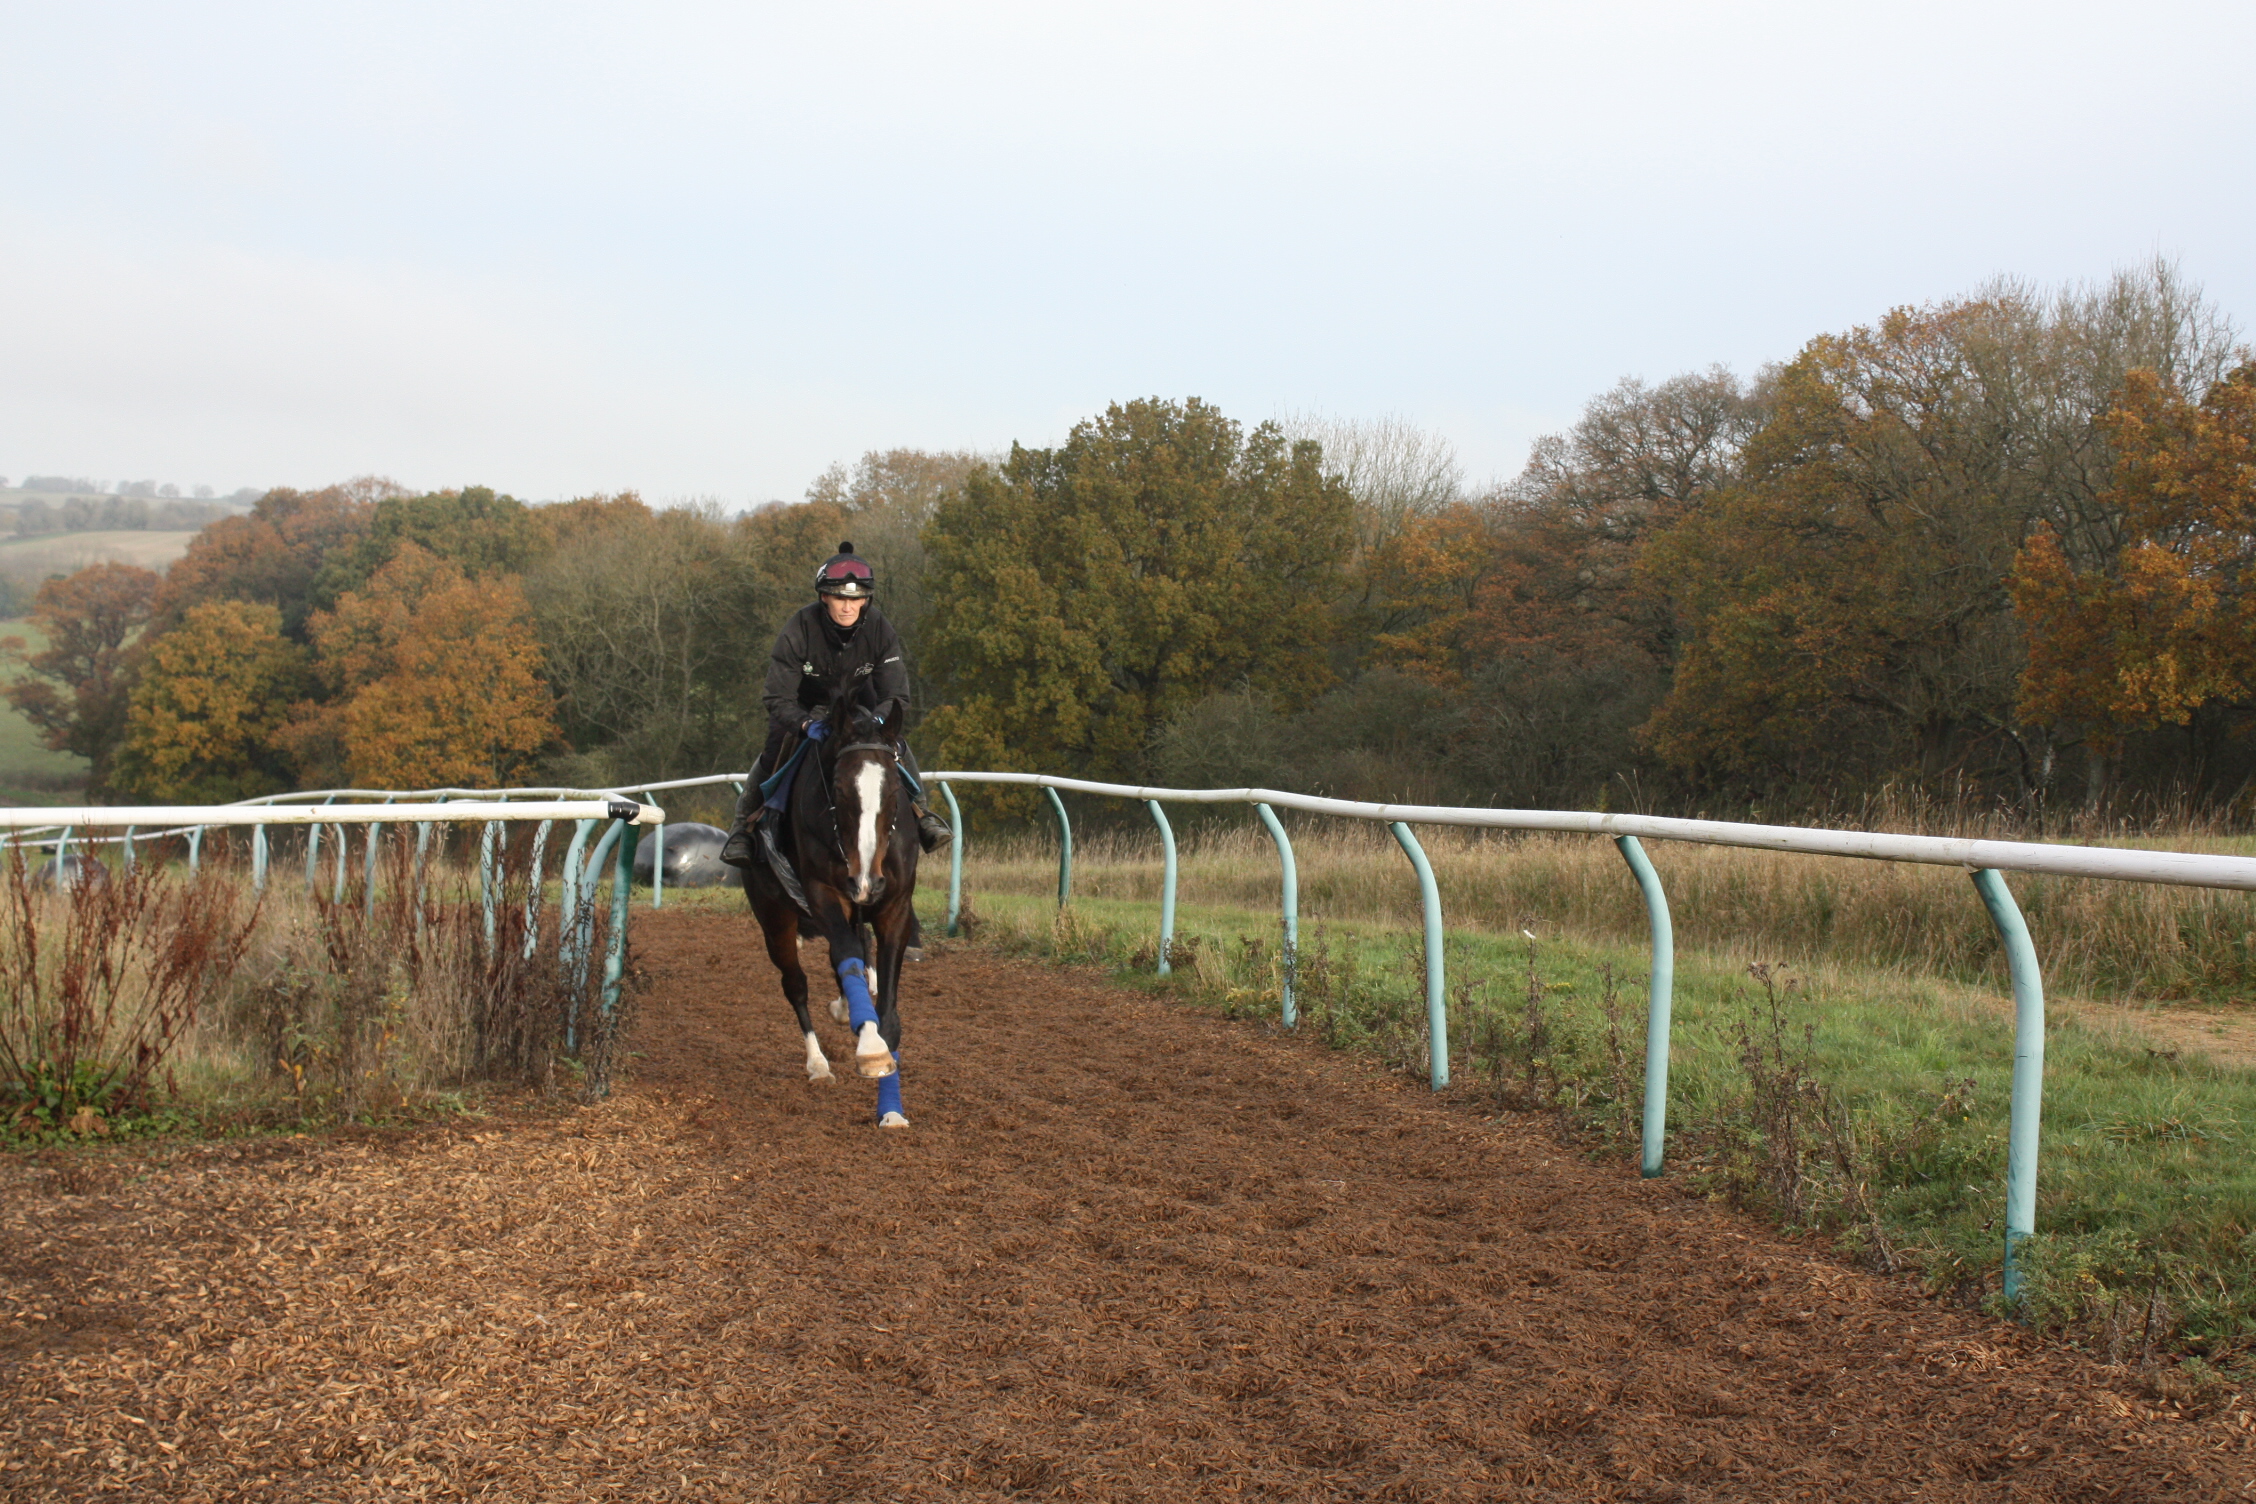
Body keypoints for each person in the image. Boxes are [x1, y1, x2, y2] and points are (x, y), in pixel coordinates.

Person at [718, 542, 952, 871]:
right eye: (840, 598)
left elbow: (896, 694)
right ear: (825, 597)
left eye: (855, 599)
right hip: (805, 705)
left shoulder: (880, 628)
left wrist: (881, 722)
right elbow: (776, 696)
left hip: (862, 705)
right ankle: (743, 828)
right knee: (773, 751)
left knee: (894, 744)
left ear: (866, 600)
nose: (847, 607)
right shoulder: (798, 628)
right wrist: (804, 724)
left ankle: (922, 814)